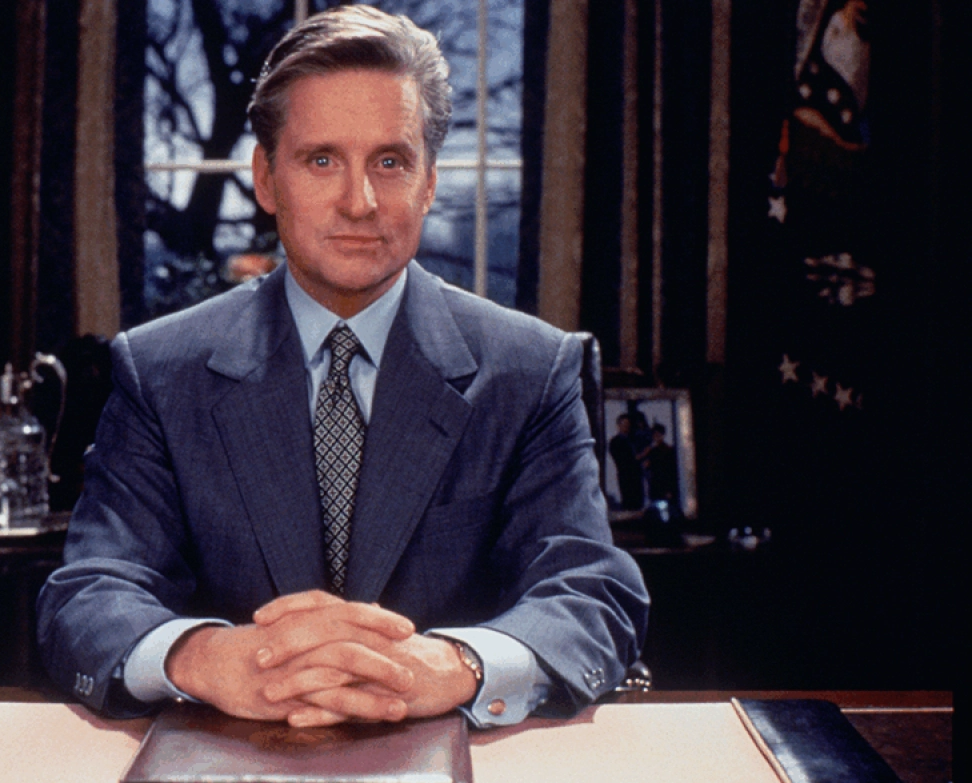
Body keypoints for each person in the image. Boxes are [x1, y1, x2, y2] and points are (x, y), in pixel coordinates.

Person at [36, 4, 647, 730]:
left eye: (390, 162)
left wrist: (455, 665)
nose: (359, 202)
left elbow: (590, 593)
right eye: (322, 160)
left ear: (428, 183)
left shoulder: (533, 369)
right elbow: (89, 593)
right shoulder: (160, 371)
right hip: (228, 758)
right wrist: (205, 657)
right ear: (267, 179)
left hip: (457, 754)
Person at [609, 414, 644, 510]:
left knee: (638, 503)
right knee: (629, 503)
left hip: (636, 476)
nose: (626, 427)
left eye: (628, 424)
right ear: (619, 425)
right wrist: (641, 455)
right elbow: (624, 460)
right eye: (624, 424)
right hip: (626, 476)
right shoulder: (615, 442)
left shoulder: (632, 440)